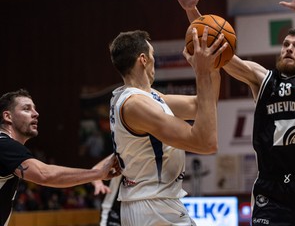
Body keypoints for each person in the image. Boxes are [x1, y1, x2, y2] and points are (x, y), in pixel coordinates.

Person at [167, 0, 295, 225]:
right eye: (286, 44)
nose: (289, 48)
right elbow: (220, 47)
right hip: (270, 189)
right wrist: (191, 9)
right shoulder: (262, 78)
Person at [108, 28, 224, 226]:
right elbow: (206, 143)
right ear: (143, 60)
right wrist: (201, 73)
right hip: (152, 206)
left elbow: (202, 105)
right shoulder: (136, 105)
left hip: (156, 203)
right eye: (153, 56)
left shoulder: (148, 96)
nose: (155, 62)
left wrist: (212, 68)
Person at [0, 89, 121, 226]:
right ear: (7, 116)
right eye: (26, 109)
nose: (36, 114)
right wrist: (98, 173)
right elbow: (44, 174)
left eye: (34, 109)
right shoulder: (4, 144)